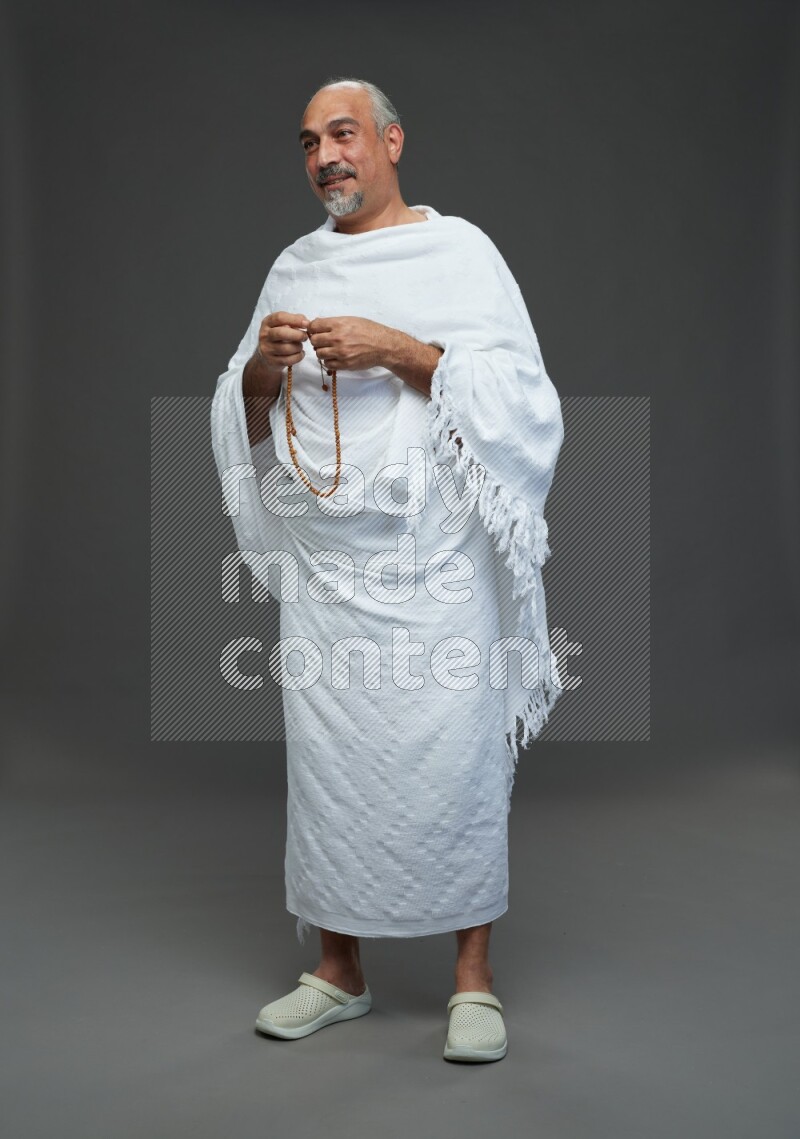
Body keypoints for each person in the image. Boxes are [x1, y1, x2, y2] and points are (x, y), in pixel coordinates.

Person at [210, 77, 564, 1062]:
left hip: (437, 560)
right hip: (329, 568)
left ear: (391, 141)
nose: (325, 156)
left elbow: (525, 401)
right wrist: (262, 367)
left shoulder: (461, 254)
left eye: (343, 134)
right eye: (308, 142)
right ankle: (338, 970)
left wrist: (401, 350)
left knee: (456, 757)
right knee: (333, 766)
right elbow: (244, 415)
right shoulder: (294, 266)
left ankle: (472, 979)